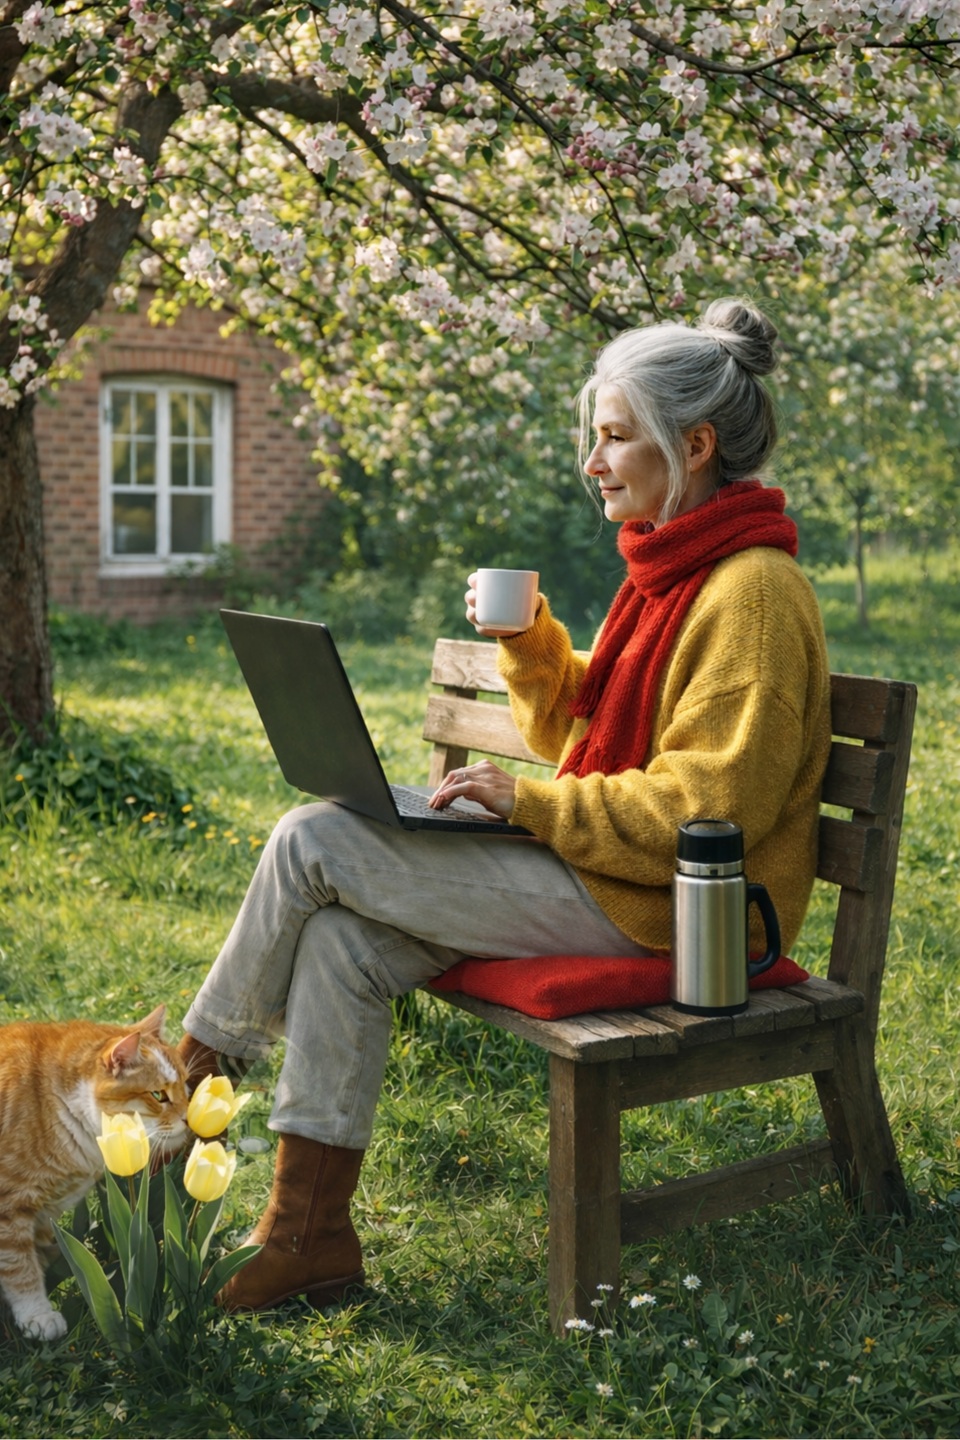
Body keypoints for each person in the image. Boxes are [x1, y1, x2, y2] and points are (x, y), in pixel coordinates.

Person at [177, 296, 832, 1313]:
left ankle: (177, 1096)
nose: (594, 461)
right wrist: (531, 645)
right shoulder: (669, 572)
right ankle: (308, 1241)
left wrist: (528, 808)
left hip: (683, 914)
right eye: (597, 437)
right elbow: (586, 739)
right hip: (611, 879)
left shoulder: (750, 593)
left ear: (693, 446)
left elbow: (706, 813)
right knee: (341, 944)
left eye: (617, 437)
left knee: (312, 839)